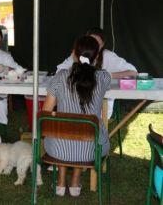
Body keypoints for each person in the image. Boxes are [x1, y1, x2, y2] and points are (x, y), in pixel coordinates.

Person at [42, 35, 111, 197]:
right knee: (83, 133)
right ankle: (74, 183)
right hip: (92, 150)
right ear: (97, 56)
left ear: (74, 53)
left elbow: (45, 114)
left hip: (57, 149)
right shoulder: (103, 77)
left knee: (66, 133)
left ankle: (60, 182)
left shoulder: (59, 77)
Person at [56, 27, 138, 118]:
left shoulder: (107, 57)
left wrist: (110, 75)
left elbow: (133, 72)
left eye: (96, 44)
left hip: (100, 110)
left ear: (102, 45)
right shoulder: (77, 56)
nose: (92, 47)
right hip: (77, 108)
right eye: (90, 42)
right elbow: (59, 72)